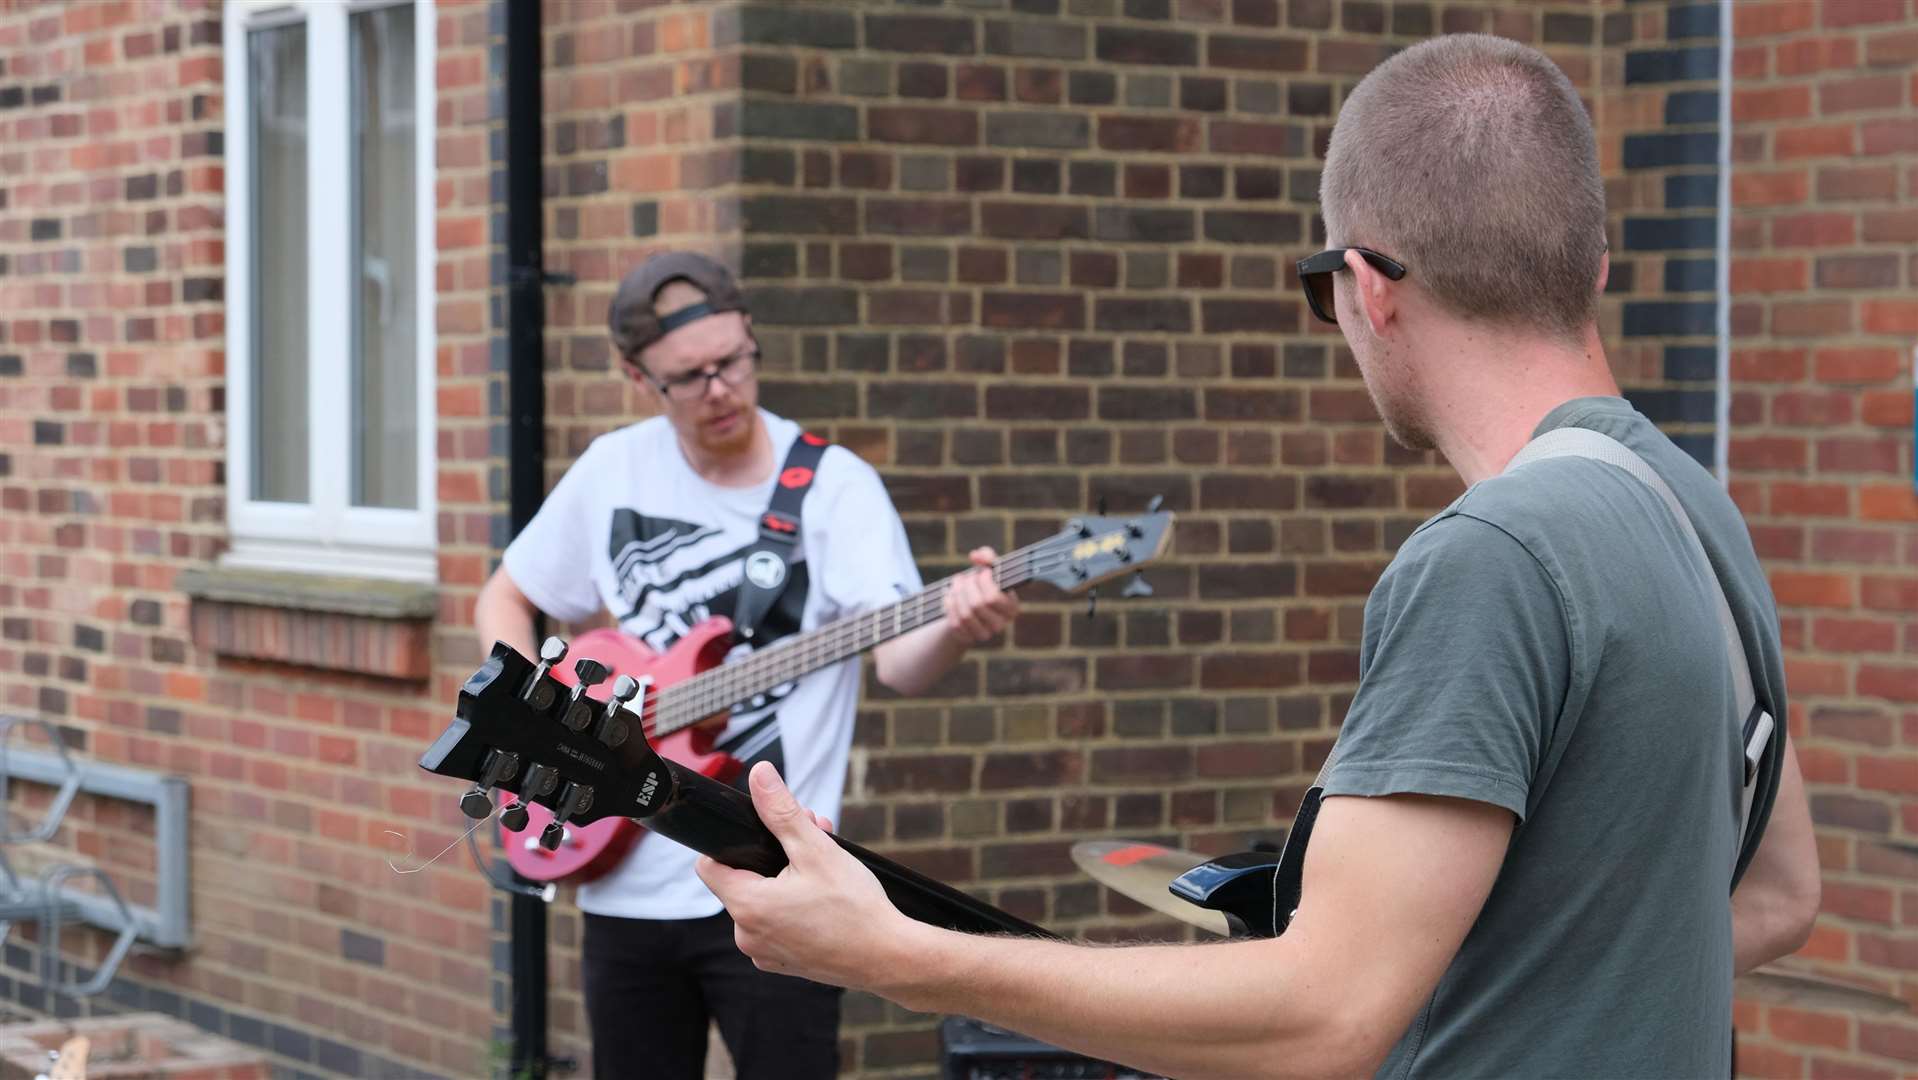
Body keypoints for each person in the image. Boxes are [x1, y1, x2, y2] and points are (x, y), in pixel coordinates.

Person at [696, 34, 1823, 1079]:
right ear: (1595, 266)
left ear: (1366, 288)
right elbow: (1777, 897)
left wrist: (894, 954)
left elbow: (1322, 1014)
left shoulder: (1494, 556)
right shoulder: (1688, 503)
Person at [473, 251, 1019, 1080]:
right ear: (636, 375)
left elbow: (903, 665)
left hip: (784, 887)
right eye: (687, 378)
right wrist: (541, 718)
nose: (720, 389)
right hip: (623, 878)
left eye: (732, 362)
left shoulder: (834, 488)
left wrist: (956, 626)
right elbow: (504, 596)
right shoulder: (613, 471)